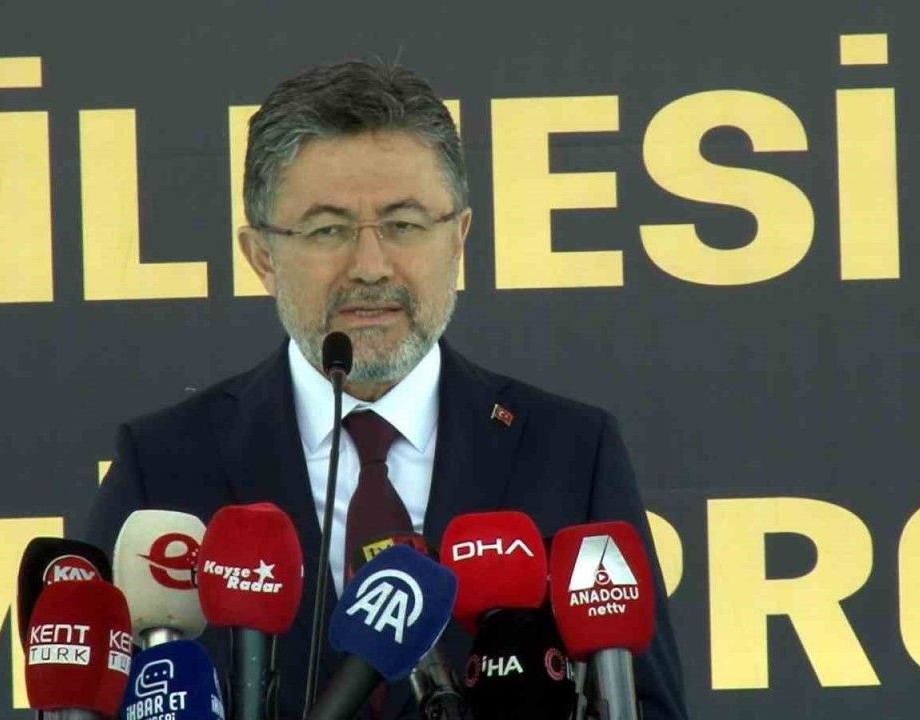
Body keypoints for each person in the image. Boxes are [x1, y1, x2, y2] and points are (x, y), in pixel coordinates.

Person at [86, 60, 688, 719]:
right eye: (328, 229)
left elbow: (647, 705)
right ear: (261, 256)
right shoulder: (164, 465)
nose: (371, 267)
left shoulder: (571, 451)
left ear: (458, 239)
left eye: (403, 224)